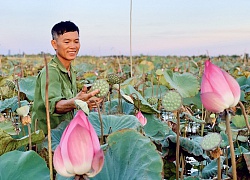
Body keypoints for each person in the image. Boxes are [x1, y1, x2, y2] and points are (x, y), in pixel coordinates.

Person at [32, 21, 101, 135]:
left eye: (76, 41)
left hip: (66, 134)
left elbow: (69, 102)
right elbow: (55, 106)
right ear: (54, 44)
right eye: (67, 42)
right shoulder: (51, 72)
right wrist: (76, 102)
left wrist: (86, 103)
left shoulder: (71, 70)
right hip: (48, 139)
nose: (73, 46)